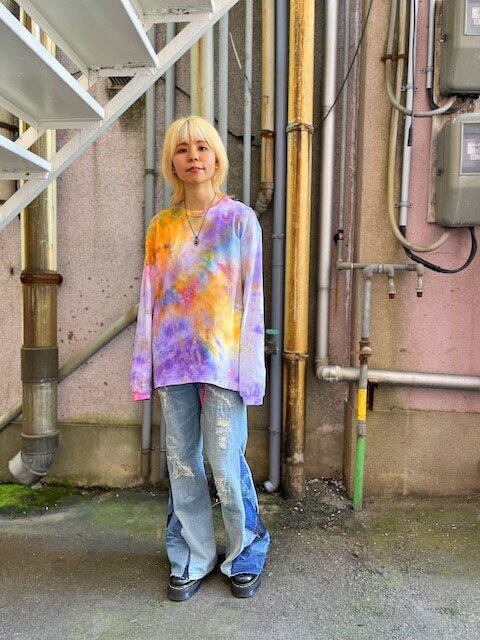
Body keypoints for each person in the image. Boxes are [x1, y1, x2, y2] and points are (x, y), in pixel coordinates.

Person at [130, 115, 270, 601]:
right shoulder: (161, 226)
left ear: (217, 157)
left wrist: (252, 370)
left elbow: (252, 299)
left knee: (225, 463)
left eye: (202, 147)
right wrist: (142, 368)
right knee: (182, 463)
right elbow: (149, 299)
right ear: (171, 161)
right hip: (173, 363)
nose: (193, 156)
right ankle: (192, 554)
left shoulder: (240, 220)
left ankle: (244, 552)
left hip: (224, 362)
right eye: (183, 149)